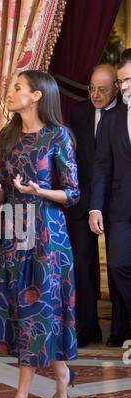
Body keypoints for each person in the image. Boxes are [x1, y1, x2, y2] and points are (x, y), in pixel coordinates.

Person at [0, 70, 80, 398]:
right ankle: (62, 372)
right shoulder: (6, 137)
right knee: (24, 310)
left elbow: (72, 194)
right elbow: (5, 194)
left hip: (48, 238)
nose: (10, 92)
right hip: (14, 232)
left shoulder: (59, 136)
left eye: (17, 87)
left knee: (40, 308)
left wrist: (39, 191)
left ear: (36, 96)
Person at [68, 64, 121, 347]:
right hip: (84, 197)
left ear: (116, 87)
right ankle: (87, 327)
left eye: (102, 89)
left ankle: (120, 328)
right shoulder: (78, 113)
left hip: (118, 199)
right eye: (92, 88)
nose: (96, 95)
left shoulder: (125, 112)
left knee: (117, 263)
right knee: (83, 262)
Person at [89, 57, 131, 347]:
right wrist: (95, 207)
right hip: (120, 208)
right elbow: (101, 166)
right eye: (122, 81)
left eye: (129, 80)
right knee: (117, 266)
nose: (125, 87)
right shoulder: (111, 119)